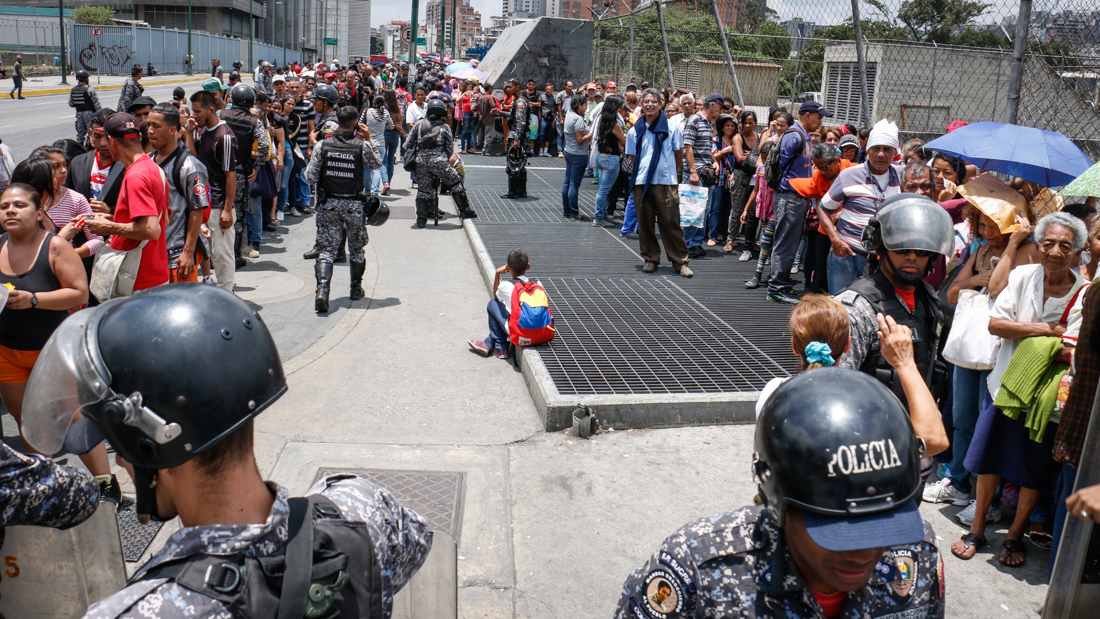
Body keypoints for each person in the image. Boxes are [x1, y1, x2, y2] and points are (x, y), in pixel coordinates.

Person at [20, 286, 433, 616]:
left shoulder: (140, 609)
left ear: (155, 447)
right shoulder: (364, 508)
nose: (122, 460)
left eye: (118, 444)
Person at [615, 368, 944, 619]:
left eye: (883, 523)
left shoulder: (918, 555)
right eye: (838, 531)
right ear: (777, 503)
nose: (865, 553)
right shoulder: (697, 573)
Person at [953, 212, 1088, 568]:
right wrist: (1047, 329)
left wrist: (1031, 332)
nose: (1055, 252)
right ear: (1039, 246)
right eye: (1048, 243)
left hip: (1043, 400)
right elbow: (997, 325)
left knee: (1033, 469)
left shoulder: (1084, 293)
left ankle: (1014, 536)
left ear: (1077, 253)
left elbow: (1070, 350)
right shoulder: (1023, 276)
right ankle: (977, 529)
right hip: (1003, 385)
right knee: (989, 462)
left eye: (1064, 246)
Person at [922, 197, 1022, 508]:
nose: (988, 229)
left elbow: (998, 289)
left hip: (998, 347)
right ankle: (959, 481)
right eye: (982, 222)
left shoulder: (1024, 252)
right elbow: (951, 292)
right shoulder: (979, 251)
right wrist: (977, 278)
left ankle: (984, 498)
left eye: (995, 222)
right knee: (964, 417)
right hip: (968, 345)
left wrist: (1014, 244)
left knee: (985, 421)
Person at [835, 194, 953, 410]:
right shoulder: (856, 307)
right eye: (901, 249)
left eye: (922, 251)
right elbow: (837, 385)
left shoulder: (928, 299)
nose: (912, 257)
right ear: (880, 248)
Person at [0, 183, 91, 459]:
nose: (10, 211)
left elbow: (79, 293)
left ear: (40, 213)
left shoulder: (55, 246)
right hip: (8, 353)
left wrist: (34, 299)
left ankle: (106, 484)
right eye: (4, 207)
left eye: (19, 205)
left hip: (51, 351)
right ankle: (45, 481)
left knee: (73, 419)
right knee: (27, 421)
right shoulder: (0, 244)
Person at [305, 105, 382, 312]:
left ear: (337, 121)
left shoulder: (322, 145)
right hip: (354, 205)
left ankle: (322, 290)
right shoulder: (361, 145)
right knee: (356, 248)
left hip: (328, 204)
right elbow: (377, 164)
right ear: (356, 122)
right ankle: (356, 288)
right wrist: (368, 139)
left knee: (326, 250)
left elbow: (310, 177)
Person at [83, 113, 169, 296]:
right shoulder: (153, 168)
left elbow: (151, 229)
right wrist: (116, 218)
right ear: (138, 136)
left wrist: (110, 227)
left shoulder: (136, 175)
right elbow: (163, 221)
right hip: (153, 273)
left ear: (111, 141)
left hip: (138, 279)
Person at [819, 119, 902, 294]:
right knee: (841, 311)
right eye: (876, 149)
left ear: (895, 152)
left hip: (883, 262)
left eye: (887, 149)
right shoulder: (849, 175)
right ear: (867, 151)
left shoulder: (902, 177)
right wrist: (835, 240)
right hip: (846, 256)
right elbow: (823, 207)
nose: (881, 154)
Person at [625, 88, 691, 278]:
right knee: (645, 223)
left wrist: (667, 170)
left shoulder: (672, 128)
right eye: (646, 101)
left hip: (666, 182)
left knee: (671, 222)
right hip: (641, 182)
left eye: (654, 101)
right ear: (641, 104)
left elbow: (679, 154)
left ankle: (680, 261)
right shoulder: (634, 130)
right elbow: (633, 157)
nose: (650, 104)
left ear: (660, 104)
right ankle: (650, 259)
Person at [767, 101, 828, 304]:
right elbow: (781, 164)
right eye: (819, 117)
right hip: (789, 196)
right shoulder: (795, 135)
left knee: (790, 242)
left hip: (797, 197)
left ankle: (782, 284)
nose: (820, 122)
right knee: (785, 242)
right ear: (808, 115)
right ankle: (775, 288)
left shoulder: (802, 135)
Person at [148, 103, 209, 284]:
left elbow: (197, 210)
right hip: (153, 255)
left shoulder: (189, 166)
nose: (150, 131)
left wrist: (188, 252)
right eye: (148, 125)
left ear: (172, 130)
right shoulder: (148, 161)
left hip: (177, 258)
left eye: (156, 126)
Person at [185, 90, 237, 291]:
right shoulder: (203, 131)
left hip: (218, 204)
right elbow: (195, 160)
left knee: (222, 254)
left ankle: (227, 292)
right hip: (204, 201)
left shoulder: (223, 136)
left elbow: (230, 175)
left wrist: (226, 209)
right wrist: (189, 133)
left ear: (211, 110)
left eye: (197, 111)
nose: (193, 115)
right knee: (210, 252)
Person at [408, 99, 478, 229]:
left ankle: (421, 219)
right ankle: (464, 210)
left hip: (421, 162)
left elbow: (408, 144)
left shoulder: (418, 125)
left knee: (423, 190)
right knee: (456, 182)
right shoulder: (445, 127)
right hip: (439, 161)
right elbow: (449, 149)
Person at [221, 84, 270, 268]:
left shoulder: (220, 116)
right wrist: (256, 167)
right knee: (239, 215)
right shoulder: (253, 121)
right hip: (241, 172)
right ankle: (235, 255)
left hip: (219, 173)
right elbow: (264, 145)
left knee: (217, 211)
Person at [469, 249, 533, 359]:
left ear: (507, 267)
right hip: (539, 332)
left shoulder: (506, 286)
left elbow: (496, 296)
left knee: (493, 304)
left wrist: (497, 273)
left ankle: (500, 347)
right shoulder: (537, 285)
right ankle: (491, 343)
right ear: (528, 266)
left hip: (520, 333)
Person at [681, 93, 722, 258]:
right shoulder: (694, 120)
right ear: (711, 105)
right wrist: (693, 172)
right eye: (719, 107)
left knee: (703, 209)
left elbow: (704, 146)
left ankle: (696, 243)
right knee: (692, 209)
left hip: (706, 172)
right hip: (695, 173)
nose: (720, 111)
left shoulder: (709, 123)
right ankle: (687, 243)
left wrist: (714, 160)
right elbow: (688, 146)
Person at [65, 108, 124, 215]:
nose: (103, 143)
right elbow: (67, 200)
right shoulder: (77, 164)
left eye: (108, 137)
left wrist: (112, 212)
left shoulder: (129, 166)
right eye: (97, 136)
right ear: (91, 133)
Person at [591, 95, 627, 228]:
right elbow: (623, 140)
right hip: (611, 158)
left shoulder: (602, 120)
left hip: (601, 156)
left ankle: (603, 214)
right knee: (604, 190)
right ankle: (599, 217)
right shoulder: (615, 124)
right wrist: (623, 136)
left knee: (602, 188)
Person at [501, 79, 531, 200]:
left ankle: (514, 191)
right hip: (518, 135)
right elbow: (514, 116)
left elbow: (520, 121)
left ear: (517, 87)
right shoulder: (519, 99)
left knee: (513, 165)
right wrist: (501, 113)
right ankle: (520, 191)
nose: (508, 89)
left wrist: (517, 138)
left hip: (516, 136)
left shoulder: (520, 101)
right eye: (507, 87)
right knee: (519, 165)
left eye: (510, 87)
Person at [69, 70, 101, 146]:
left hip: (79, 114)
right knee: (91, 133)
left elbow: (71, 104)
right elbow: (97, 105)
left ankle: (80, 150)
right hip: (90, 114)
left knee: (80, 134)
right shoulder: (89, 89)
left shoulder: (73, 90)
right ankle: (90, 150)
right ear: (86, 79)